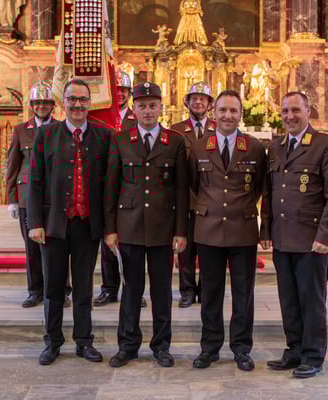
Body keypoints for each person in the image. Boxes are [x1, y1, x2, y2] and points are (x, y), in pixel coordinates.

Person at [27, 79, 112, 365]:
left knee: (84, 288)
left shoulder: (103, 136)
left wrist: (110, 226)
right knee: (53, 288)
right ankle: (52, 342)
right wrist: (34, 222)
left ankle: (84, 341)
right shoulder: (46, 134)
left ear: (90, 103)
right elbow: (35, 180)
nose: (77, 104)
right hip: (53, 225)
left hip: (87, 225)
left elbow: (109, 184)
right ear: (63, 102)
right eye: (72, 99)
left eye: (83, 99)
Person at [104, 82, 189, 368]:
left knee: (161, 291)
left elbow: (181, 190)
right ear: (134, 108)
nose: (148, 111)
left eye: (153, 105)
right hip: (129, 226)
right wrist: (110, 229)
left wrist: (180, 231)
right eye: (142, 106)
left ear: (160, 107)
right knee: (131, 290)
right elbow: (111, 187)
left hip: (162, 228)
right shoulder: (121, 139)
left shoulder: (174, 141)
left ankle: (161, 346)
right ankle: (127, 345)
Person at [265, 91, 328, 378]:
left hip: (312, 241)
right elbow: (270, 192)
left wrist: (326, 236)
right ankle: (294, 350)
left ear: (308, 111)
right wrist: (266, 230)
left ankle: (313, 355)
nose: (290, 116)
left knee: (311, 301)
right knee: (288, 300)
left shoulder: (326, 145)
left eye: (295, 110)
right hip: (282, 237)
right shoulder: (276, 146)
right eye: (285, 111)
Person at [188, 89, 269, 372]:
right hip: (208, 230)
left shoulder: (255, 148)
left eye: (233, 110)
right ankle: (209, 348)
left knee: (243, 294)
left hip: (242, 230)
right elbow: (193, 186)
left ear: (240, 114)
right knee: (210, 293)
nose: (227, 115)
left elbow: (260, 188)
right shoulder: (199, 147)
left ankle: (241, 348)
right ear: (214, 113)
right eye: (222, 110)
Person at [5, 81, 72, 309]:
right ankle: (35, 290)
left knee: (59, 246)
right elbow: (13, 166)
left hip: (56, 197)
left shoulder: (63, 128)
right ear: (31, 105)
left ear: (53, 105)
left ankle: (62, 291)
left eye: (45, 103)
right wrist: (12, 199)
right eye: (37, 103)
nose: (41, 106)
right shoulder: (21, 130)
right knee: (32, 248)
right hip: (27, 197)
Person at [94, 70, 146, 308]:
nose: (120, 95)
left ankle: (134, 289)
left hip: (131, 184)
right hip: (106, 183)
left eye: (123, 91)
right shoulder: (101, 117)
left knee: (133, 243)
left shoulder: (138, 118)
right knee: (108, 240)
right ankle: (109, 288)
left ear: (130, 94)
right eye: (116, 91)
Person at [169, 81, 216, 308]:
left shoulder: (218, 128)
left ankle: (206, 290)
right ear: (187, 102)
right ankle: (187, 291)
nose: (198, 102)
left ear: (209, 104)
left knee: (208, 250)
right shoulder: (176, 130)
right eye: (194, 99)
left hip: (211, 199)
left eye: (202, 99)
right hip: (185, 198)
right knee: (185, 249)